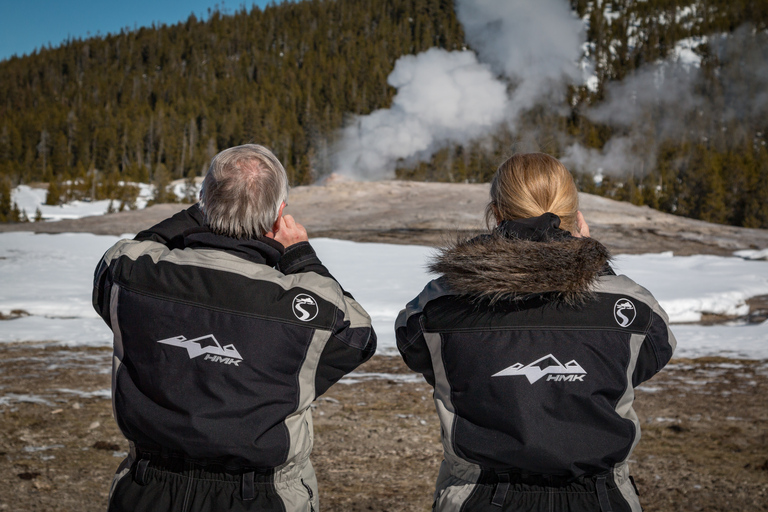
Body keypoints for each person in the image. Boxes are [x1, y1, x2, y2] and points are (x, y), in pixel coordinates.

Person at [93, 144, 376, 512]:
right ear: (279, 215)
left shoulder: (131, 276)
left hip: (147, 488)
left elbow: (133, 249)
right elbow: (358, 333)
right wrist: (300, 256)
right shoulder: (298, 308)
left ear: (203, 200)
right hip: (258, 496)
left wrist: (199, 213)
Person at [395, 153, 675, 512]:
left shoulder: (442, 303)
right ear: (575, 217)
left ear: (496, 213)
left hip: (482, 496)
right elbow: (652, 349)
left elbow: (412, 342)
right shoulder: (627, 306)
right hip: (601, 498)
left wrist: (479, 261)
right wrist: (590, 262)